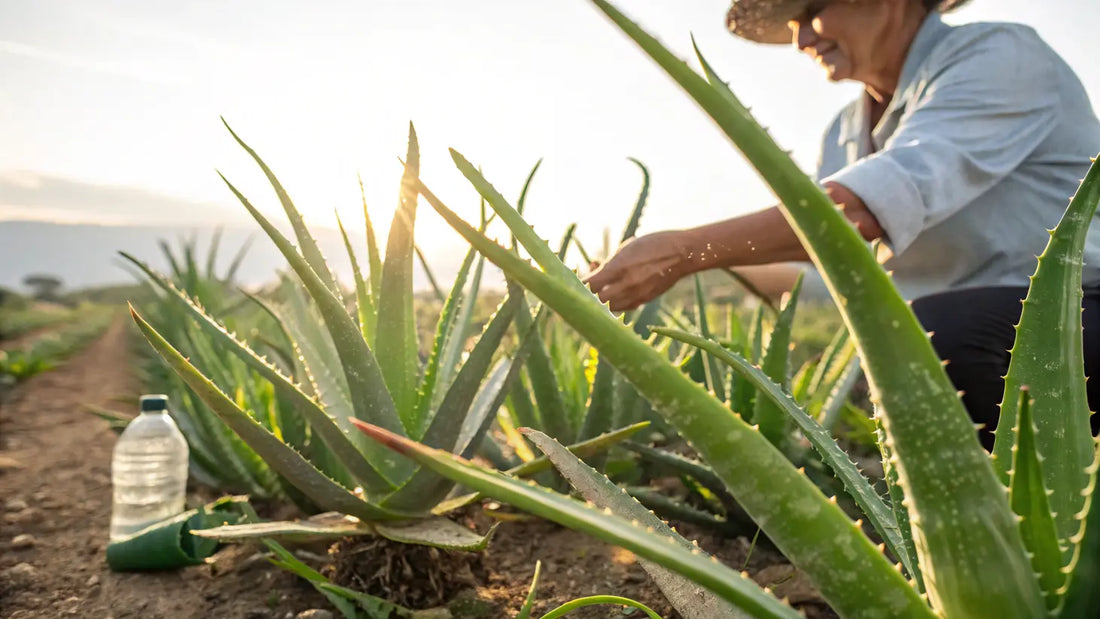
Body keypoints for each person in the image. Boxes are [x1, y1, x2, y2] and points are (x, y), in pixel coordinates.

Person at [584, 0, 1100, 450]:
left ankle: (1041, 524)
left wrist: (682, 252)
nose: (801, 37)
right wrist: (691, 270)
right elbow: (821, 262)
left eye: (813, 10)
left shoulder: (1000, 57)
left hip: (1078, 315)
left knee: (935, 336)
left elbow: (860, 211)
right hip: (966, 341)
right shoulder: (845, 134)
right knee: (919, 340)